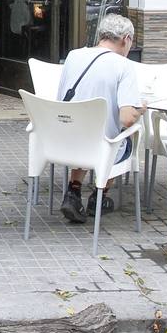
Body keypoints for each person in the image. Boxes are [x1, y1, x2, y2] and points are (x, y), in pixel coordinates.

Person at [56, 13, 144, 224]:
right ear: (126, 39)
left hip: (64, 140)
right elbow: (127, 119)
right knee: (120, 137)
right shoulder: (124, 66)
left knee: (89, 128)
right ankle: (99, 196)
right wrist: (141, 109)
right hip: (100, 146)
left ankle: (73, 192)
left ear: (101, 35)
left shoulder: (74, 55)